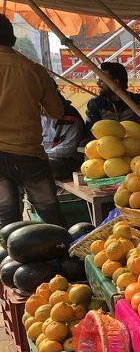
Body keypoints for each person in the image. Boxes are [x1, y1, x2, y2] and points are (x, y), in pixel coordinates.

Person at [0, 15, 66, 228]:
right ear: (12, 38)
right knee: (51, 216)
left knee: (7, 217)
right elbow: (56, 111)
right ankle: (63, 258)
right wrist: (30, 102)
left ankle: (10, 260)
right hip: (27, 154)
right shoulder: (32, 69)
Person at [42, 91, 86, 179]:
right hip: (44, 155)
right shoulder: (41, 115)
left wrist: (41, 154)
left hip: (68, 160)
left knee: (41, 167)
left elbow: (67, 149)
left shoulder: (72, 117)